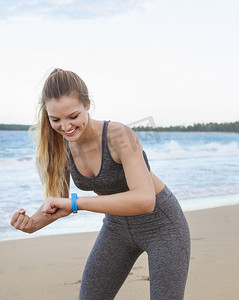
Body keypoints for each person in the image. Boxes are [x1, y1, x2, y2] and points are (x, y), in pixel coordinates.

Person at [10, 68, 190, 299]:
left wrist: (77, 204)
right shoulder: (58, 145)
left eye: (73, 116)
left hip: (162, 227)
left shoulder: (119, 135)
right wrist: (32, 223)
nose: (65, 127)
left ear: (87, 104)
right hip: (117, 230)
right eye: (56, 119)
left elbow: (145, 200)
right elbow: (60, 204)